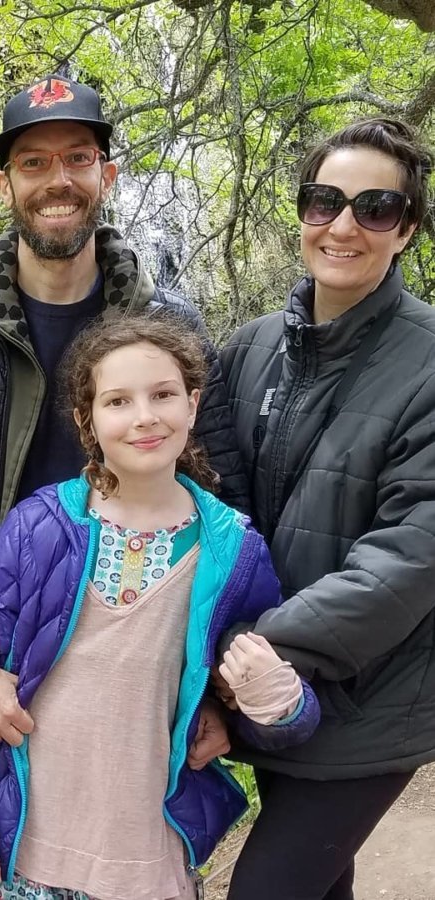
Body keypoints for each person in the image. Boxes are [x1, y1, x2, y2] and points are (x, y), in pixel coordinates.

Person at [0, 73, 247, 762]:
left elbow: (224, 504)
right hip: (1, 668)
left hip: (149, 672)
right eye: (34, 162)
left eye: (78, 158)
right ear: (4, 184)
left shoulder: (170, 329)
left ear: (106, 175)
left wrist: (215, 689)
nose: (58, 181)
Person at [0, 313, 320, 900]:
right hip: (21, 860)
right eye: (118, 401)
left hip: (147, 865)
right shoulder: (37, 528)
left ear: (193, 404)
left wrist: (279, 706)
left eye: (163, 395)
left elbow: (259, 706)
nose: (144, 417)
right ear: (86, 420)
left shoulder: (235, 551)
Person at [219, 117, 435, 900]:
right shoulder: (248, 350)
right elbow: (212, 513)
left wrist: (247, 658)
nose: (343, 226)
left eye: (375, 208)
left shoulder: (428, 360)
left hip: (372, 697)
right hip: (272, 690)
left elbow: (408, 558)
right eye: (324, 201)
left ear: (405, 230)